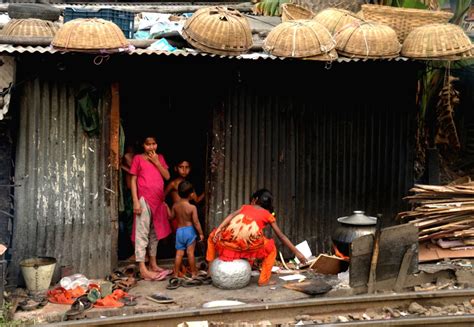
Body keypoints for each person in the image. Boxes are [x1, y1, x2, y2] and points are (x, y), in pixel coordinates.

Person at [206, 189, 307, 286]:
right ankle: (264, 281)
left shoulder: (245, 207)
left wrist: (219, 229)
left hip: (228, 243)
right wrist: (297, 252)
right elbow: (281, 236)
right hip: (249, 246)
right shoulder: (268, 215)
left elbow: (231, 216)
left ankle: (210, 272)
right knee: (271, 249)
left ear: (255, 199)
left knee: (211, 237)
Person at [130, 135, 172, 280]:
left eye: (154, 144)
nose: (152, 147)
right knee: (142, 233)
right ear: (143, 145)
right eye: (148, 144)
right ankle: (143, 268)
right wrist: (136, 201)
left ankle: (153, 264)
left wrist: (156, 162)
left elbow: (167, 176)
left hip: (158, 201)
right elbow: (133, 180)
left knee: (154, 233)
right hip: (144, 199)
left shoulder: (159, 158)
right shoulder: (138, 159)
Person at [168, 180, 204, 278]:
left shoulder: (175, 205)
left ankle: (175, 274)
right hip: (189, 231)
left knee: (179, 254)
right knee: (190, 253)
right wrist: (201, 233)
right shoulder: (192, 207)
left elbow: (171, 217)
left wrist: (167, 207)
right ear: (191, 194)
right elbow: (196, 222)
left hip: (179, 231)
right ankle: (193, 273)